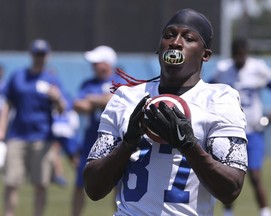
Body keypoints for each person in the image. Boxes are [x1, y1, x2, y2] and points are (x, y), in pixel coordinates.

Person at [83, 8, 248, 216]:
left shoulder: (219, 99)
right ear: (159, 49)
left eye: (188, 38)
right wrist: (127, 144)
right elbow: (93, 188)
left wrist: (189, 146)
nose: (176, 42)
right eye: (169, 35)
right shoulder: (126, 98)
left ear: (205, 55)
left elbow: (231, 189)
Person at [209, 38, 271, 216]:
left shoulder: (258, 69)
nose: (239, 60)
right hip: (229, 131)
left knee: (254, 174)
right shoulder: (223, 70)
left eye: (242, 56)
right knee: (226, 175)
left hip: (252, 131)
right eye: (237, 56)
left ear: (246, 54)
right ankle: (228, 212)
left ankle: (265, 212)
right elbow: (206, 88)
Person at [0, 39, 67, 216]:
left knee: (40, 184)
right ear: (31, 55)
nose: (39, 58)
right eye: (37, 54)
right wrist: (2, 128)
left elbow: (62, 109)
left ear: (48, 56)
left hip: (42, 138)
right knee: (11, 181)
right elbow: (7, 103)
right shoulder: (18, 76)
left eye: (42, 54)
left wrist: (57, 98)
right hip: (17, 136)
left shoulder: (52, 80)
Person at [71, 45, 119, 216]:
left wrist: (93, 99)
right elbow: (78, 104)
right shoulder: (88, 83)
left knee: (118, 186)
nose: (93, 66)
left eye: (97, 63)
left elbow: (115, 100)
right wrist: (102, 100)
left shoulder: (119, 81)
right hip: (90, 141)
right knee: (80, 184)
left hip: (116, 142)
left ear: (107, 63)